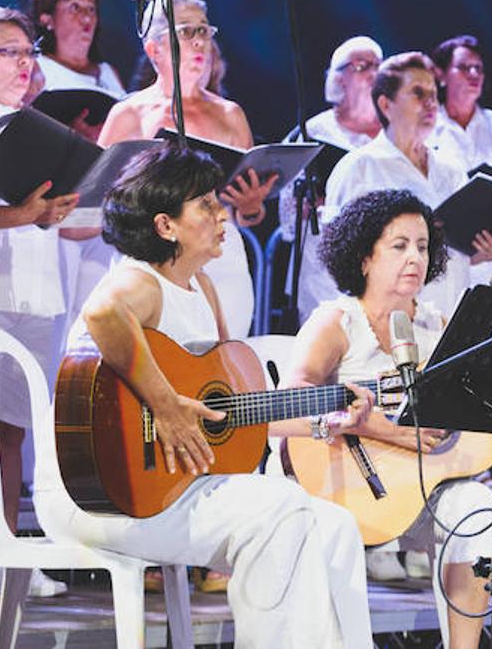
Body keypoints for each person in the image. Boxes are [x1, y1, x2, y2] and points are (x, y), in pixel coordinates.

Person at [31, 143, 375, 647]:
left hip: (173, 488)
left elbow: (226, 412)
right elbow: (104, 316)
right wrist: (165, 406)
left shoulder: (203, 288)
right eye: (207, 205)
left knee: (336, 527)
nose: (222, 216)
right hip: (101, 493)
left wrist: (326, 415)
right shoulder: (138, 280)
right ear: (166, 226)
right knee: (281, 509)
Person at [273, 188, 492, 648]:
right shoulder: (337, 321)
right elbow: (289, 402)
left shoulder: (437, 326)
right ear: (364, 259)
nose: (415, 257)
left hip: (417, 489)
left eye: (422, 246)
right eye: (399, 246)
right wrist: (384, 429)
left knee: (482, 511)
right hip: (341, 484)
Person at [98, 0, 276, 341]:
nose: (199, 42)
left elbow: (242, 208)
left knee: (223, 360)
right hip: (152, 256)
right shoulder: (129, 114)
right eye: (186, 31)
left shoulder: (229, 113)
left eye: (204, 31)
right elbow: (98, 200)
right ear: (155, 49)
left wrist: (250, 206)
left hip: (220, 254)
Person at [0, 6, 80, 599]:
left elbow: (60, 220)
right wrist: (19, 216)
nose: (25, 63)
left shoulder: (35, 128)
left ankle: (8, 558)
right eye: (10, 52)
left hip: (37, 292)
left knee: (14, 431)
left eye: (29, 52)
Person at [323, 52, 492, 318]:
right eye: (418, 93)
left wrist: (482, 250)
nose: (431, 104)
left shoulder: (450, 169)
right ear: (386, 105)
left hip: (447, 316)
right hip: (387, 324)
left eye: (433, 94)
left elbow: (457, 254)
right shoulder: (361, 166)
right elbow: (340, 256)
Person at [279, 36, 384, 322]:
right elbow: (287, 214)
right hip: (323, 268)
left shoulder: (393, 133)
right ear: (339, 79)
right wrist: (308, 205)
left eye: (378, 65)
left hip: (383, 262)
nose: (374, 73)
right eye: (362, 66)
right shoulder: (314, 131)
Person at [26, 0, 125, 139]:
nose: (87, 17)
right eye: (75, 7)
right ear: (47, 19)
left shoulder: (109, 71)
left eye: (91, 9)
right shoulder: (36, 67)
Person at [426, 34, 492, 174]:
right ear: (441, 75)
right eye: (464, 67)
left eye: (478, 68)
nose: (474, 74)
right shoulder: (427, 126)